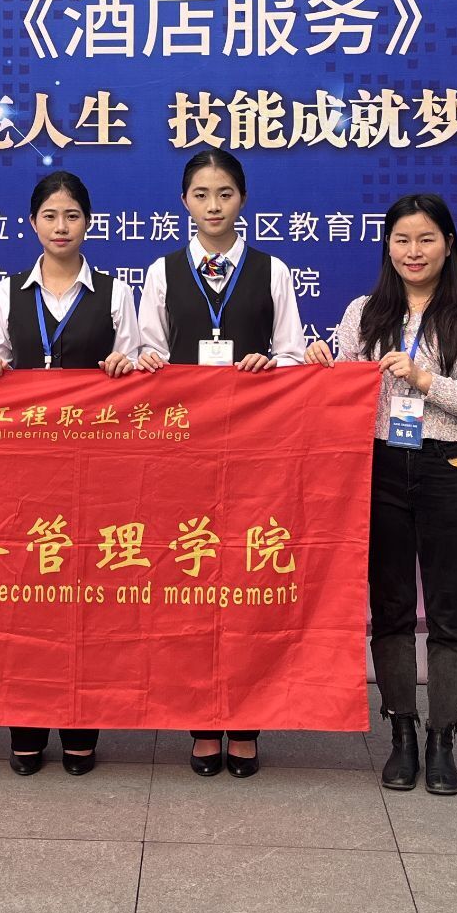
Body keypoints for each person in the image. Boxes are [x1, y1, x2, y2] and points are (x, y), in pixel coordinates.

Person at [135, 146, 310, 780]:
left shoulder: (272, 271)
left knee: (246, 583)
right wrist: (151, 364)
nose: (213, 206)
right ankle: (203, 722)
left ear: (243, 199)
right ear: (184, 201)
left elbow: (294, 355)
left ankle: (245, 722)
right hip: (184, 452)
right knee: (192, 581)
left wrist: (271, 365)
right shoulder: (161, 272)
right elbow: (148, 353)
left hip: (254, 455)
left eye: (225, 194)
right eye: (202, 195)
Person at [323, 193, 457, 796]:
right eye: (402, 240)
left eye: (426, 239)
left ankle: (442, 738)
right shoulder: (364, 312)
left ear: (448, 244)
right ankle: (401, 732)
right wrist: (325, 366)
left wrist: (426, 379)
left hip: (449, 468)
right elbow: (343, 390)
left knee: (449, 611)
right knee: (391, 608)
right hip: (379, 470)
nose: (413, 251)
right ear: (387, 247)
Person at [0, 170, 141, 775]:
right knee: (26, 597)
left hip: (96, 468)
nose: (61, 226)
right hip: (25, 469)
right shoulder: (7, 292)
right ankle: (25, 727)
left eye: (72, 215)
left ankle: (80, 727)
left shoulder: (116, 292)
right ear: (32, 223)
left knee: (85, 600)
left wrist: (126, 364)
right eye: (50, 216)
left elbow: (141, 362)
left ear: (89, 222)